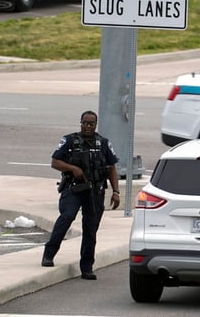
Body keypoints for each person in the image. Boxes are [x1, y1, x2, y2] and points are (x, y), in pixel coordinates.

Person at [41, 110, 120, 279]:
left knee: (91, 229)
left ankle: (86, 267)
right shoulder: (69, 140)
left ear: (95, 125)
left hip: (95, 192)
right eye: (84, 122)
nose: (87, 126)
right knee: (67, 217)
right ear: (80, 123)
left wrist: (116, 192)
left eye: (91, 123)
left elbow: (112, 168)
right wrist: (73, 169)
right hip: (74, 189)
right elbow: (55, 162)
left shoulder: (104, 143)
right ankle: (49, 253)